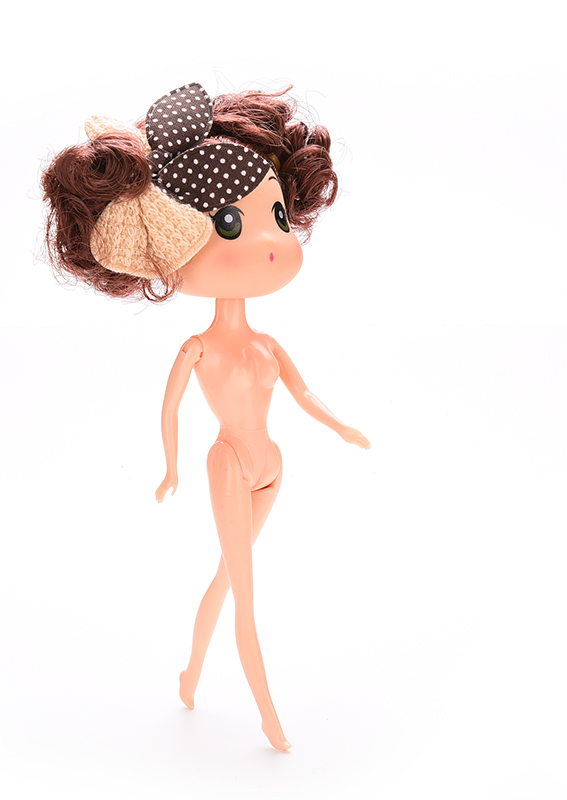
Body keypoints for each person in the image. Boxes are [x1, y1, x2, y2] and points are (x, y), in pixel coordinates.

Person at [42, 83, 369, 750]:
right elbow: (170, 409)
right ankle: (268, 715)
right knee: (246, 594)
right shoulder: (196, 348)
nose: (269, 242)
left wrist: (340, 426)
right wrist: (171, 469)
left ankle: (190, 671)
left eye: (276, 216)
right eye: (229, 225)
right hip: (228, 464)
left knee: (226, 577)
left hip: (273, 465)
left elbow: (304, 394)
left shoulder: (266, 344)